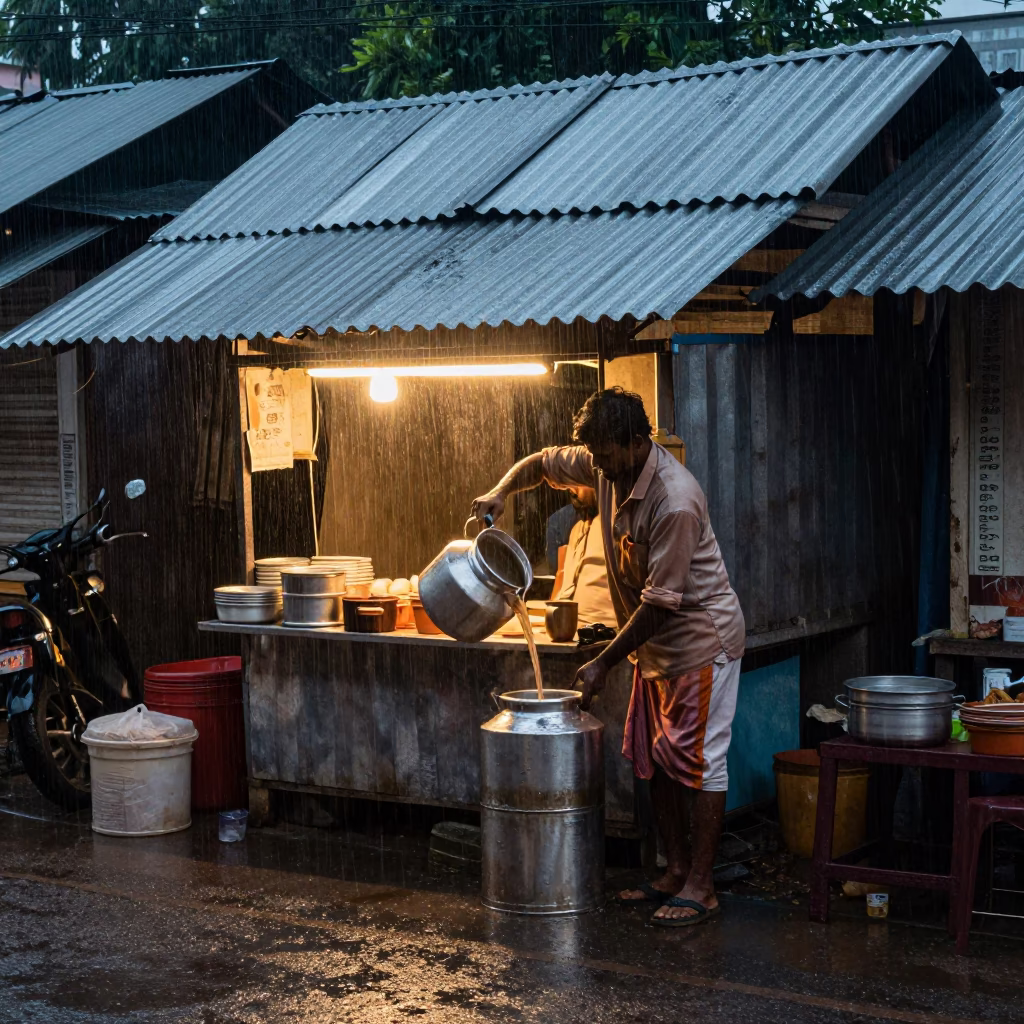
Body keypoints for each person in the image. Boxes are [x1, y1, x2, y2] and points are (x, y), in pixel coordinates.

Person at [472, 387, 745, 927]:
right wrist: (501, 491)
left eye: (605, 456)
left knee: (700, 764)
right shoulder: (603, 461)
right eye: (592, 456)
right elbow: (544, 463)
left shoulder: (676, 500)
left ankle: (702, 885)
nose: (596, 467)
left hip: (699, 642)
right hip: (651, 646)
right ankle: (674, 871)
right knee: (657, 759)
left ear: (637, 442)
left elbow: (661, 604)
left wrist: (605, 660)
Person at [551, 486, 616, 627]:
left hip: (606, 632)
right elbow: (563, 583)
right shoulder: (576, 530)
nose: (572, 491)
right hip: (569, 630)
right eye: (568, 487)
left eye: (576, 483)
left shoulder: (616, 526)